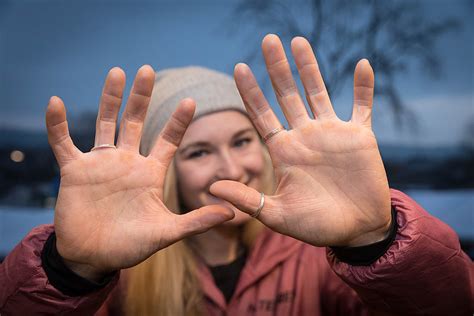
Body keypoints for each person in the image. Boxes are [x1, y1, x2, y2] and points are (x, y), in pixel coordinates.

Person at [0, 34, 472, 315]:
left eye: (243, 141)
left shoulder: (320, 258)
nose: (231, 168)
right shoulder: (117, 275)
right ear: (166, 174)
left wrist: (376, 241)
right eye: (200, 151)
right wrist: (70, 274)